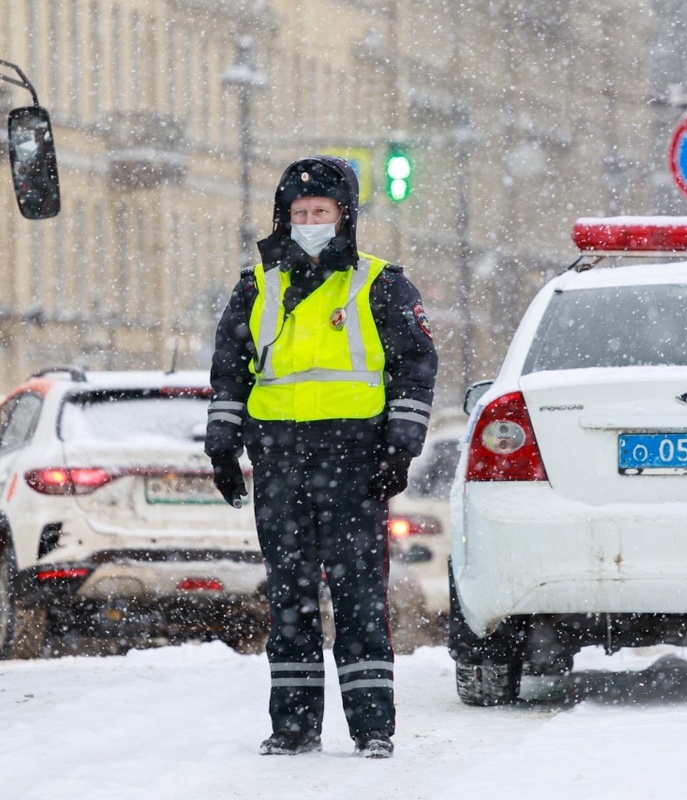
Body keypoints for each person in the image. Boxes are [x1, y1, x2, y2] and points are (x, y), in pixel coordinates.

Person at [206, 155, 438, 758]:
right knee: (290, 597)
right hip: (280, 462)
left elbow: (414, 368)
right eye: (300, 212)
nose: (309, 222)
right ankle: (293, 726)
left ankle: (372, 728)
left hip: (355, 463)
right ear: (285, 218)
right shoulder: (258, 286)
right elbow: (230, 373)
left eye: (321, 212)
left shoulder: (379, 282)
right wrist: (222, 447)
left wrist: (400, 449)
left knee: (360, 595)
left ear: (345, 218)